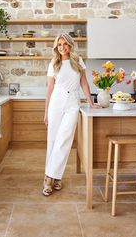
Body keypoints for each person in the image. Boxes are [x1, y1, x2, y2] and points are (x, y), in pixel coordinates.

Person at [43, 33, 101, 196]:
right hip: (56, 102)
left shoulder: (78, 61)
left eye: (65, 44)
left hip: (73, 103)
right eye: (59, 44)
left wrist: (90, 101)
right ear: (56, 47)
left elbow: (84, 82)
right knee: (53, 140)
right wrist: (46, 111)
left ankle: (50, 177)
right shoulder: (53, 63)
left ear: (70, 45)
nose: (62, 47)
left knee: (64, 140)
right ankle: (55, 177)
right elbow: (49, 89)